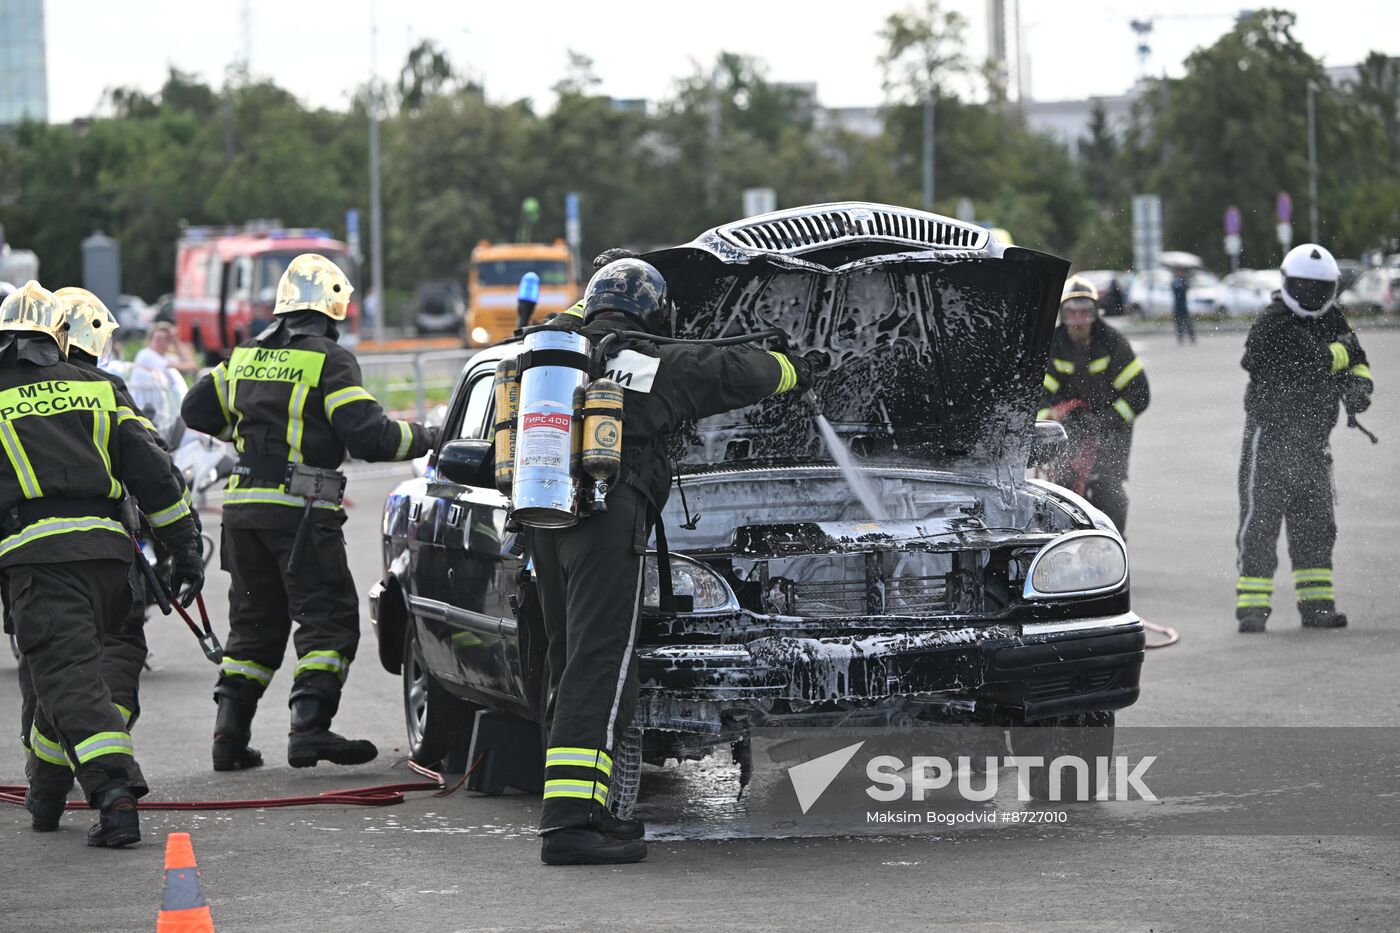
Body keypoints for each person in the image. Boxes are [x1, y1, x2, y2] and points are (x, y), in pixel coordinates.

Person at [530, 258, 813, 865]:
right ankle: (571, 826)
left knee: (568, 656)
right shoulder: (641, 359)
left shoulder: (559, 352)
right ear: (655, 314)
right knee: (601, 663)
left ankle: (583, 806)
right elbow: (732, 370)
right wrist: (795, 366)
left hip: (546, 517)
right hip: (604, 519)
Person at [182, 253, 437, 772]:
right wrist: (429, 437)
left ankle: (229, 738)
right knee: (329, 620)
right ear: (334, 308)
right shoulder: (328, 358)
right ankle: (309, 729)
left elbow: (195, 410)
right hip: (300, 512)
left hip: (242, 510)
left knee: (254, 624)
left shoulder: (244, 355)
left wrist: (249, 434)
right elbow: (369, 435)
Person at [0, 281, 203, 847]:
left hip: (41, 563)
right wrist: (184, 547)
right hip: (116, 564)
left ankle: (114, 794)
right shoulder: (100, 387)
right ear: (56, 336)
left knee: (67, 679)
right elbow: (155, 474)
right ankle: (44, 792)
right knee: (77, 676)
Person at [1234, 244, 1373, 633]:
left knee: (1316, 524)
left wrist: (1359, 389)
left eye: (1319, 289)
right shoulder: (1272, 322)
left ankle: (1318, 607)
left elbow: (1358, 359)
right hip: (1271, 439)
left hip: (1314, 441)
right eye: (1304, 287)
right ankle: (1252, 609)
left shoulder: (1333, 320)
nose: (1312, 296)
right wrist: (1337, 357)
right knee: (1259, 523)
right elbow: (1305, 359)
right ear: (1288, 284)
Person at [1037, 274, 1150, 535]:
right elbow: (1036, 397)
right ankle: (1064, 549)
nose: (1078, 320)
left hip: (1111, 433)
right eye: (1071, 313)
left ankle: (1112, 545)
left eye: (1084, 312)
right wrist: (1054, 420)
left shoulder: (1112, 343)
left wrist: (1104, 421)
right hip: (1067, 434)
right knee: (1063, 495)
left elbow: (1139, 393)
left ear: (1095, 313)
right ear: (1062, 315)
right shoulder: (1053, 345)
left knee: (1108, 492)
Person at [134, 321, 199, 378]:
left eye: (166, 339)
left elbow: (193, 367)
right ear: (150, 340)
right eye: (158, 339)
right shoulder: (145, 354)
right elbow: (182, 367)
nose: (161, 343)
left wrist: (176, 342)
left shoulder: (168, 357)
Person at [1170, 266, 1196, 344]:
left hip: (1184, 306)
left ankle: (1191, 337)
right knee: (1178, 323)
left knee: (1188, 323)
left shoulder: (1184, 281)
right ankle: (1180, 337)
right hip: (1177, 305)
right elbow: (1176, 289)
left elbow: (1186, 288)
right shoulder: (1175, 281)